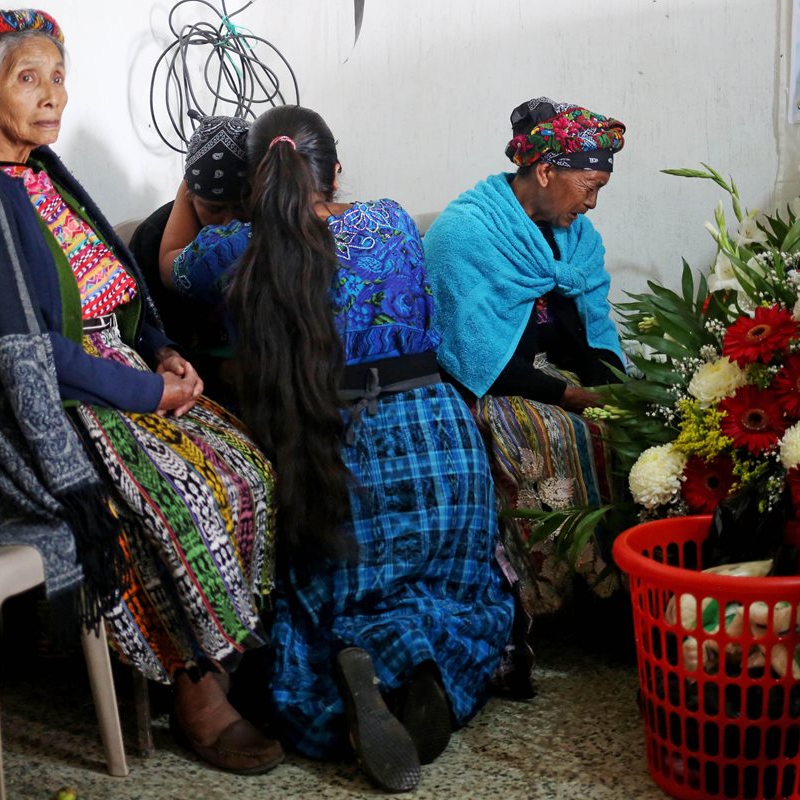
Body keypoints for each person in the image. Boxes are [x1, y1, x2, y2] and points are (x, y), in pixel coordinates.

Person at [0, 6, 281, 775]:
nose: (52, 96)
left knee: (249, 465)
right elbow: (31, 356)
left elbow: (115, 287)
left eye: (58, 77)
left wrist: (165, 353)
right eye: (27, 79)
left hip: (116, 376)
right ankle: (197, 691)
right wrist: (146, 394)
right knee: (177, 495)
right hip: (39, 408)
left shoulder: (35, 174)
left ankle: (230, 655)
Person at [224, 105, 518, 793]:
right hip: (439, 446)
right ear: (338, 169)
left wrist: (197, 197)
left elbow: (170, 262)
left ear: (256, 180)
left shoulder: (240, 248)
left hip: (339, 455)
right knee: (466, 594)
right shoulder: (387, 220)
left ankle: (357, 657)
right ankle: (418, 674)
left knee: (333, 605)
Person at [424, 97, 628, 616]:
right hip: (483, 384)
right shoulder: (467, 232)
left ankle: (621, 585)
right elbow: (476, 358)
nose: (593, 205)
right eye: (590, 188)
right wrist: (578, 396)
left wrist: (621, 390)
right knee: (550, 433)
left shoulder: (575, 238)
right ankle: (545, 593)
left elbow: (585, 333)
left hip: (543, 371)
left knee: (632, 425)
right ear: (544, 171)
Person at [127, 112, 250, 409]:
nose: (228, 221)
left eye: (242, 206)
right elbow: (143, 330)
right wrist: (216, 371)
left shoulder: (268, 230)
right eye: (214, 208)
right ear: (189, 196)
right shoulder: (152, 240)